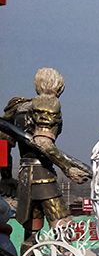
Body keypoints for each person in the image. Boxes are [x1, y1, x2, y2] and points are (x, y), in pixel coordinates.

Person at [2, 67, 89, 244]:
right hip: (43, 176)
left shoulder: (18, 108)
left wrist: (6, 176)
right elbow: (42, 142)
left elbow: (3, 145)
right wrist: (67, 167)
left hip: (25, 176)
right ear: (59, 87)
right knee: (63, 226)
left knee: (32, 231)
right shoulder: (47, 104)